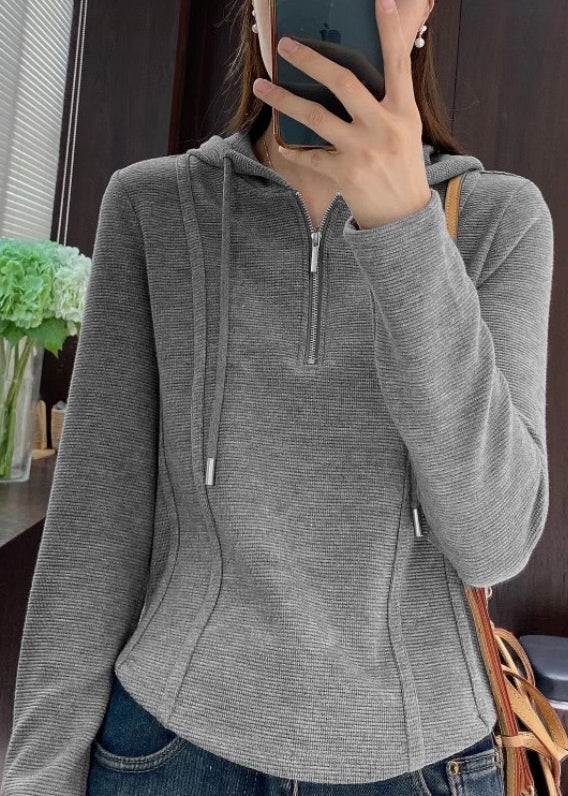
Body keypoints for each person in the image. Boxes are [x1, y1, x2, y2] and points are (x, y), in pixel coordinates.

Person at [0, 0, 554, 794]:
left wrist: (404, 228)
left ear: (424, 10)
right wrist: (37, 777)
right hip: (166, 747)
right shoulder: (153, 208)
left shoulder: (503, 220)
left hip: (423, 763)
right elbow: (94, 530)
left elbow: (494, 542)